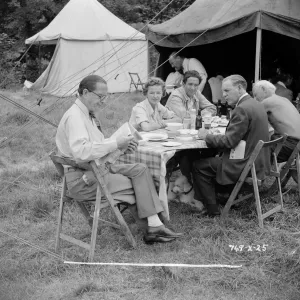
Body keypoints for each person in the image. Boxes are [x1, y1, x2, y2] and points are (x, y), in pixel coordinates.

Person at [55, 75, 183, 244]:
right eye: (101, 96)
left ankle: (154, 225)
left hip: (93, 168)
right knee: (140, 184)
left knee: (141, 169)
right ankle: (153, 227)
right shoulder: (75, 117)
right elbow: (82, 151)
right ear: (85, 92)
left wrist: (120, 148)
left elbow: (96, 146)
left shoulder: (86, 113)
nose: (103, 101)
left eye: (105, 97)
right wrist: (116, 142)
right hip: (84, 180)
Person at [193, 75, 270, 217]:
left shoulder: (242, 109)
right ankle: (224, 195)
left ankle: (212, 210)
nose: (224, 95)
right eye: (223, 91)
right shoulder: (256, 104)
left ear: (240, 88)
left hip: (245, 164)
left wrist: (206, 136)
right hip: (259, 162)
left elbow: (229, 142)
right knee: (210, 157)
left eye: (227, 90)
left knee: (198, 166)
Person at [253, 80, 300, 162]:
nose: (255, 98)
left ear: (263, 89)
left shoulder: (267, 102)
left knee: (251, 152)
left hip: (290, 144)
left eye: (256, 95)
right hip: (296, 146)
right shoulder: (284, 100)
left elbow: (251, 119)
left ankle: (258, 174)